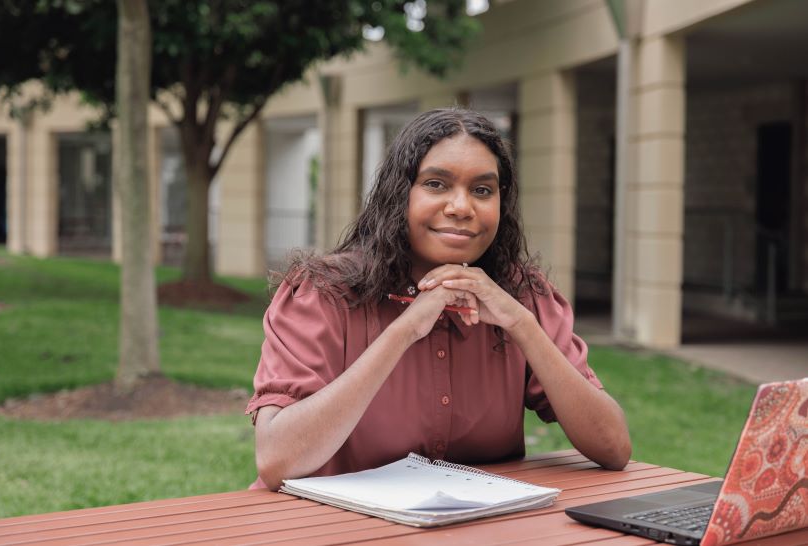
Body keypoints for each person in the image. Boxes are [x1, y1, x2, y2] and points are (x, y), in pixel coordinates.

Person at [246, 108, 631, 490]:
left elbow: (613, 448)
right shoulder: (323, 293)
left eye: (482, 190)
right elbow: (277, 460)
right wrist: (406, 329)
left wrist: (521, 324)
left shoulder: (522, 296)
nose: (461, 208)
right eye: (436, 184)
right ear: (399, 194)